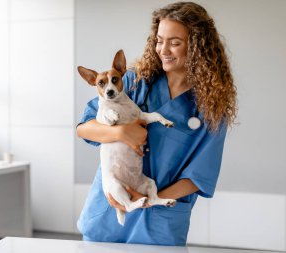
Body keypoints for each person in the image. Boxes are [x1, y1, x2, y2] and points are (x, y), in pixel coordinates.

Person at [76, 2, 237, 246]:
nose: (164, 49)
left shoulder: (211, 108)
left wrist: (149, 198)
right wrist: (121, 132)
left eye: (175, 42)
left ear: (197, 46)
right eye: (160, 40)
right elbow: (84, 128)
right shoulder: (131, 82)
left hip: (159, 223)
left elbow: (199, 176)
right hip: (109, 213)